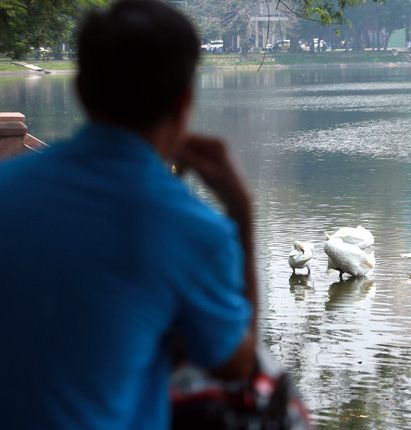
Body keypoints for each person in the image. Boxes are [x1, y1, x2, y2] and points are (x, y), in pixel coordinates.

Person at [0, 1, 257, 429]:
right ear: (184, 101)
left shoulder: (7, 187)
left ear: (81, 90)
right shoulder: (189, 227)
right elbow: (236, 365)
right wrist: (242, 214)